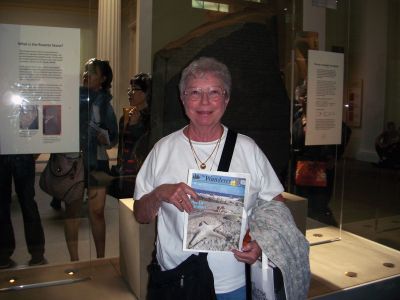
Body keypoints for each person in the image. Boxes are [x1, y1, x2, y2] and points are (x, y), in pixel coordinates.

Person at [133, 57, 284, 299]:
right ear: (182, 99)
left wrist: (261, 242)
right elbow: (140, 215)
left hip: (232, 284)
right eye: (195, 92)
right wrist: (160, 193)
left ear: (226, 99)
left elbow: (276, 205)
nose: (204, 102)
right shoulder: (164, 149)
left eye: (214, 92)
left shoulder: (247, 148)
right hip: (176, 280)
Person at [52, 58, 118, 261]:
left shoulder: (105, 104)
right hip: (72, 162)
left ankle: (100, 260)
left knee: (96, 213)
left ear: (103, 78)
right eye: (85, 71)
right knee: (72, 213)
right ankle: (74, 262)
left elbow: (113, 138)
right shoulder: (71, 99)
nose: (86, 75)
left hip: (97, 162)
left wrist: (103, 137)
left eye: (93, 72)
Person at [292, 108, 351, 226]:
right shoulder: (298, 118)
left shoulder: (324, 118)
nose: (302, 99)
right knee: (303, 200)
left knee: (320, 202)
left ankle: (322, 226)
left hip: (322, 166)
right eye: (301, 96)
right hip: (303, 166)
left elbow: (345, 131)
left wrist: (334, 155)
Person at [109, 73, 151, 199]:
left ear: (146, 93)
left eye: (135, 89)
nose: (130, 93)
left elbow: (145, 145)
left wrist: (134, 126)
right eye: (130, 89)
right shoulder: (126, 117)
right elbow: (122, 148)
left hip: (141, 175)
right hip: (125, 175)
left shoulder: (151, 118)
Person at [0, 154, 46, 269]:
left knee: (2, 206)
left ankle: (3, 255)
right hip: (22, 154)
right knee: (28, 203)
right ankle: (37, 254)